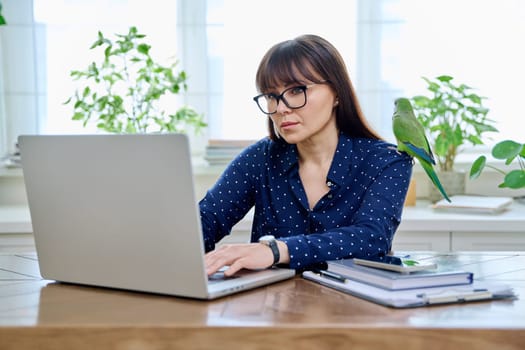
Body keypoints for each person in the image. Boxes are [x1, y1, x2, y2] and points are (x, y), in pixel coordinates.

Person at [201, 34, 413, 277]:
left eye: (296, 90)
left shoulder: (387, 161)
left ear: (336, 93)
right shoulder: (259, 159)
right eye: (271, 96)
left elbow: (371, 238)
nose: (281, 108)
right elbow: (207, 220)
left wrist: (276, 250)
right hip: (272, 308)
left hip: (353, 309)